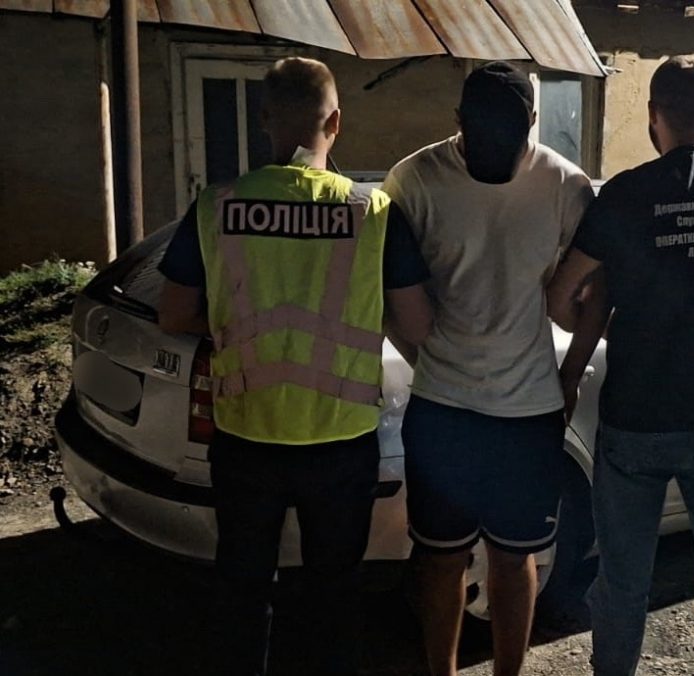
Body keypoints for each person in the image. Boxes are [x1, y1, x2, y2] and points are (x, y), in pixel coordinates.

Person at [157, 57, 432, 676]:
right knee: (333, 596)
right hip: (340, 441)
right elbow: (416, 327)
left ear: (265, 120)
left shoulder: (216, 206)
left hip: (245, 435)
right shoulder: (373, 211)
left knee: (242, 589)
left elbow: (174, 314)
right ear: (335, 122)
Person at [547, 56, 694, 676]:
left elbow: (563, 295)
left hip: (637, 417)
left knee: (623, 584)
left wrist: (599, 331)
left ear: (653, 114)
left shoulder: (625, 196)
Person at [382, 61, 596, 676]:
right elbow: (388, 292)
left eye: (509, 136)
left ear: (533, 120)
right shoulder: (414, 180)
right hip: (443, 410)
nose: (493, 152)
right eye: (480, 137)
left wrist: (571, 374)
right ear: (458, 122)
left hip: (528, 414)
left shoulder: (566, 185)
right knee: (440, 559)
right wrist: (427, 363)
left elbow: (596, 288)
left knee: (514, 556)